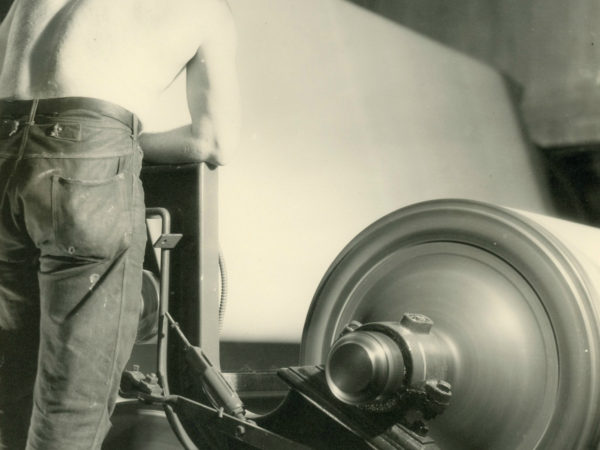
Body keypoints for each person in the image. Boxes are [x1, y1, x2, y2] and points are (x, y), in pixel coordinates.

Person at [0, 0, 240, 448]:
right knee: (70, 408)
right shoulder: (210, 8)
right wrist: (113, 142)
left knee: (10, 387)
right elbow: (213, 141)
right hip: (85, 166)